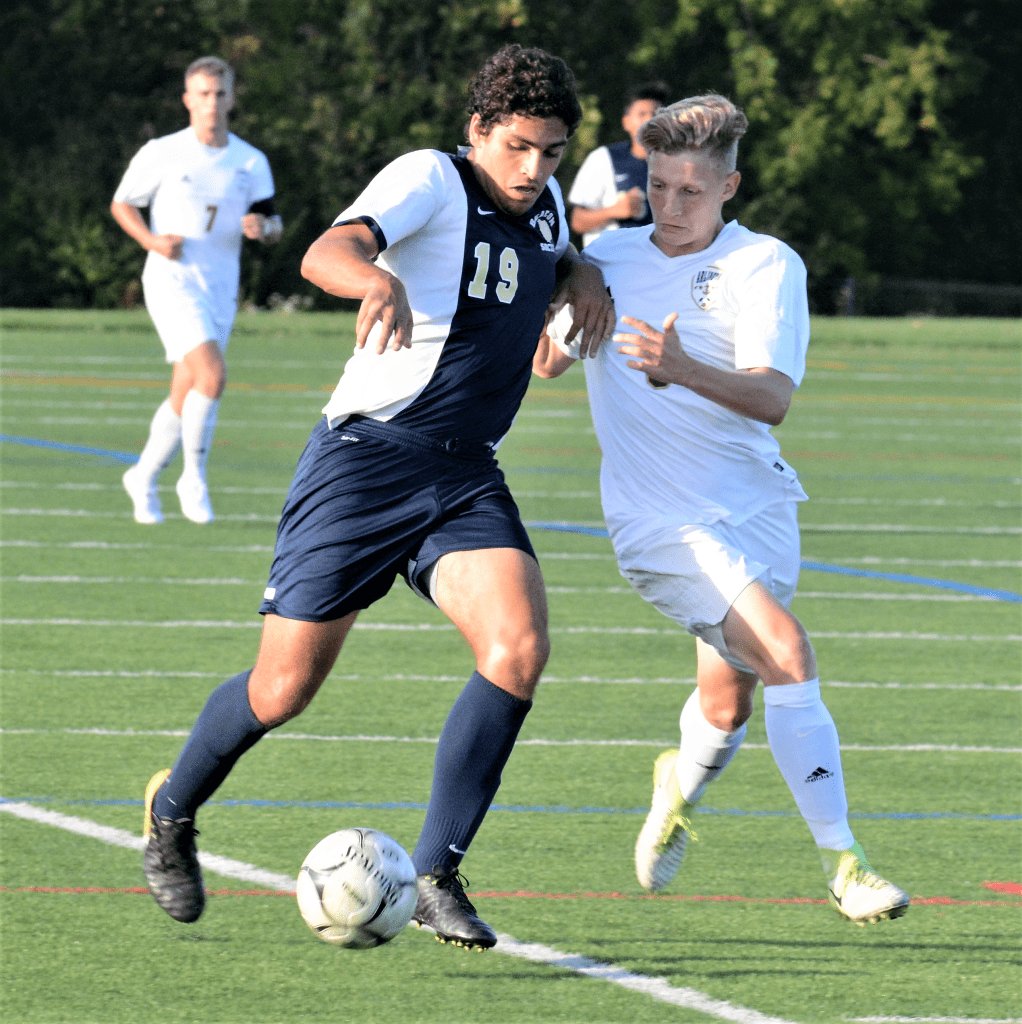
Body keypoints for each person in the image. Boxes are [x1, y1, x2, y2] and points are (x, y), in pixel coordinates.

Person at [140, 44, 614, 949]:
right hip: (365, 462)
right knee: (282, 689)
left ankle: (436, 874)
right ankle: (171, 811)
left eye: (552, 151)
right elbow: (328, 250)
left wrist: (583, 272)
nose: (533, 169)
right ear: (478, 130)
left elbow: (555, 260)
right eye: (517, 147)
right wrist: (375, 277)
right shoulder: (431, 177)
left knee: (518, 648)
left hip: (463, 473)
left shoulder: (547, 202)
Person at [535, 94, 909, 926]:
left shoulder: (767, 265)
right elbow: (545, 364)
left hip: (757, 508)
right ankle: (846, 863)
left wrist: (680, 366)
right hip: (659, 523)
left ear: (729, 186)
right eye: (658, 187)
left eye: (691, 192)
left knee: (726, 703)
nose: (670, 207)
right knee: (788, 652)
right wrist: (572, 278)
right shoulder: (609, 257)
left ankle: (676, 786)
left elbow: (772, 398)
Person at [111, 56, 282, 525]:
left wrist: (263, 228)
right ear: (187, 99)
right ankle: (193, 477)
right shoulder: (163, 152)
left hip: (220, 286)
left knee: (186, 388)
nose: (212, 103)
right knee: (212, 375)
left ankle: (143, 476)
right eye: (203, 94)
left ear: (231, 98)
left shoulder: (249, 161)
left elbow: (273, 222)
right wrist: (151, 241)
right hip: (172, 280)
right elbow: (123, 203)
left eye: (220, 94)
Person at [567, 81, 670, 248]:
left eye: (656, 114)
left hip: (661, 259)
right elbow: (577, 221)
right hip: (610, 259)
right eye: (642, 114)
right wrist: (615, 210)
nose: (650, 120)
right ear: (626, 122)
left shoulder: (679, 164)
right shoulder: (603, 158)